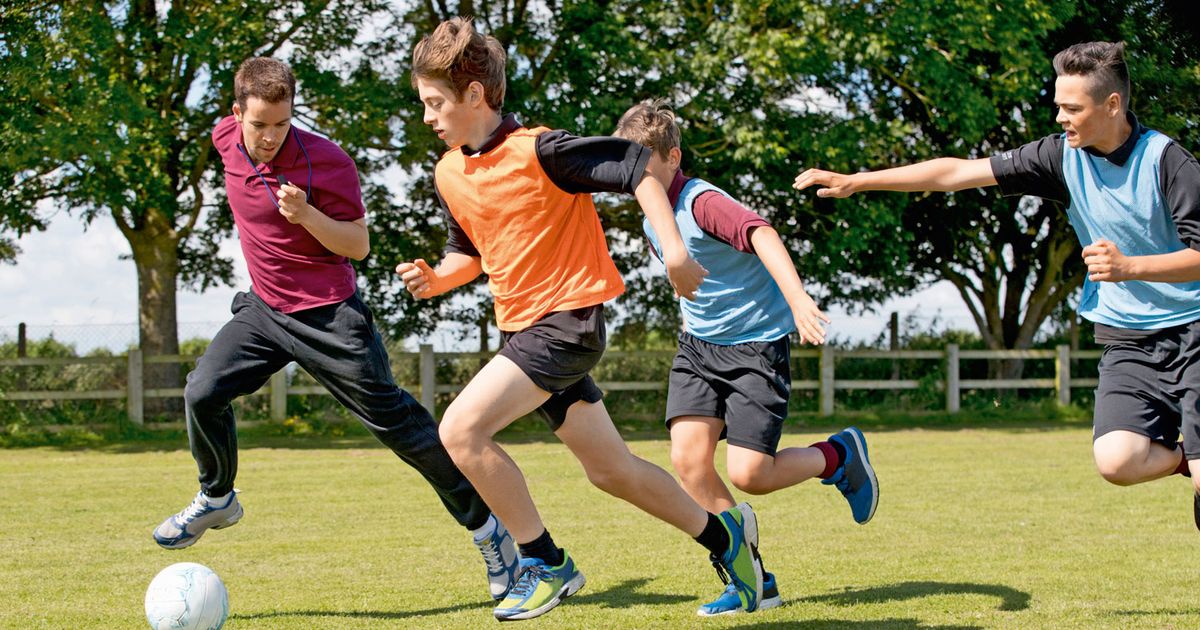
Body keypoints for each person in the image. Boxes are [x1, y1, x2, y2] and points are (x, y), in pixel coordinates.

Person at [396, 17, 763, 622]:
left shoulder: (542, 150)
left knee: (460, 430)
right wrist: (438, 279)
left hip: (567, 322)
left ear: (474, 96)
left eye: (435, 103)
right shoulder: (449, 173)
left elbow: (641, 167)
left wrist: (674, 251)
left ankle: (545, 563)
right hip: (525, 331)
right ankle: (730, 543)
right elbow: (471, 253)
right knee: (611, 471)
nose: (428, 117)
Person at [152, 57, 521, 602]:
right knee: (202, 391)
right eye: (260, 125)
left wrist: (307, 217)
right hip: (264, 310)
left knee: (402, 427)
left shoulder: (326, 162)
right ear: (236, 115)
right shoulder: (225, 137)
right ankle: (218, 497)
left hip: (328, 313)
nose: (272, 136)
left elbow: (358, 247)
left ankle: (493, 538)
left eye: (283, 123)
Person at [794, 41, 1200, 528]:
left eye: (1072, 108)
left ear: (1112, 105)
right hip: (1129, 338)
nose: (1061, 118)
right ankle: (1189, 462)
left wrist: (1131, 268)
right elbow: (956, 173)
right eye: (1058, 106)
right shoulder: (1059, 157)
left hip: (1193, 330)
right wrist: (861, 180)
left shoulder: (1170, 162)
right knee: (1117, 460)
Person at [614, 100, 879, 615]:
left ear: (674, 157)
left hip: (755, 346)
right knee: (689, 462)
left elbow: (762, 234)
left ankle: (839, 456)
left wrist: (799, 300)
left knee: (751, 475)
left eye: (646, 164)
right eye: (629, 166)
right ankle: (750, 577)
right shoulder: (651, 214)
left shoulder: (702, 201)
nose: (637, 177)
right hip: (698, 347)